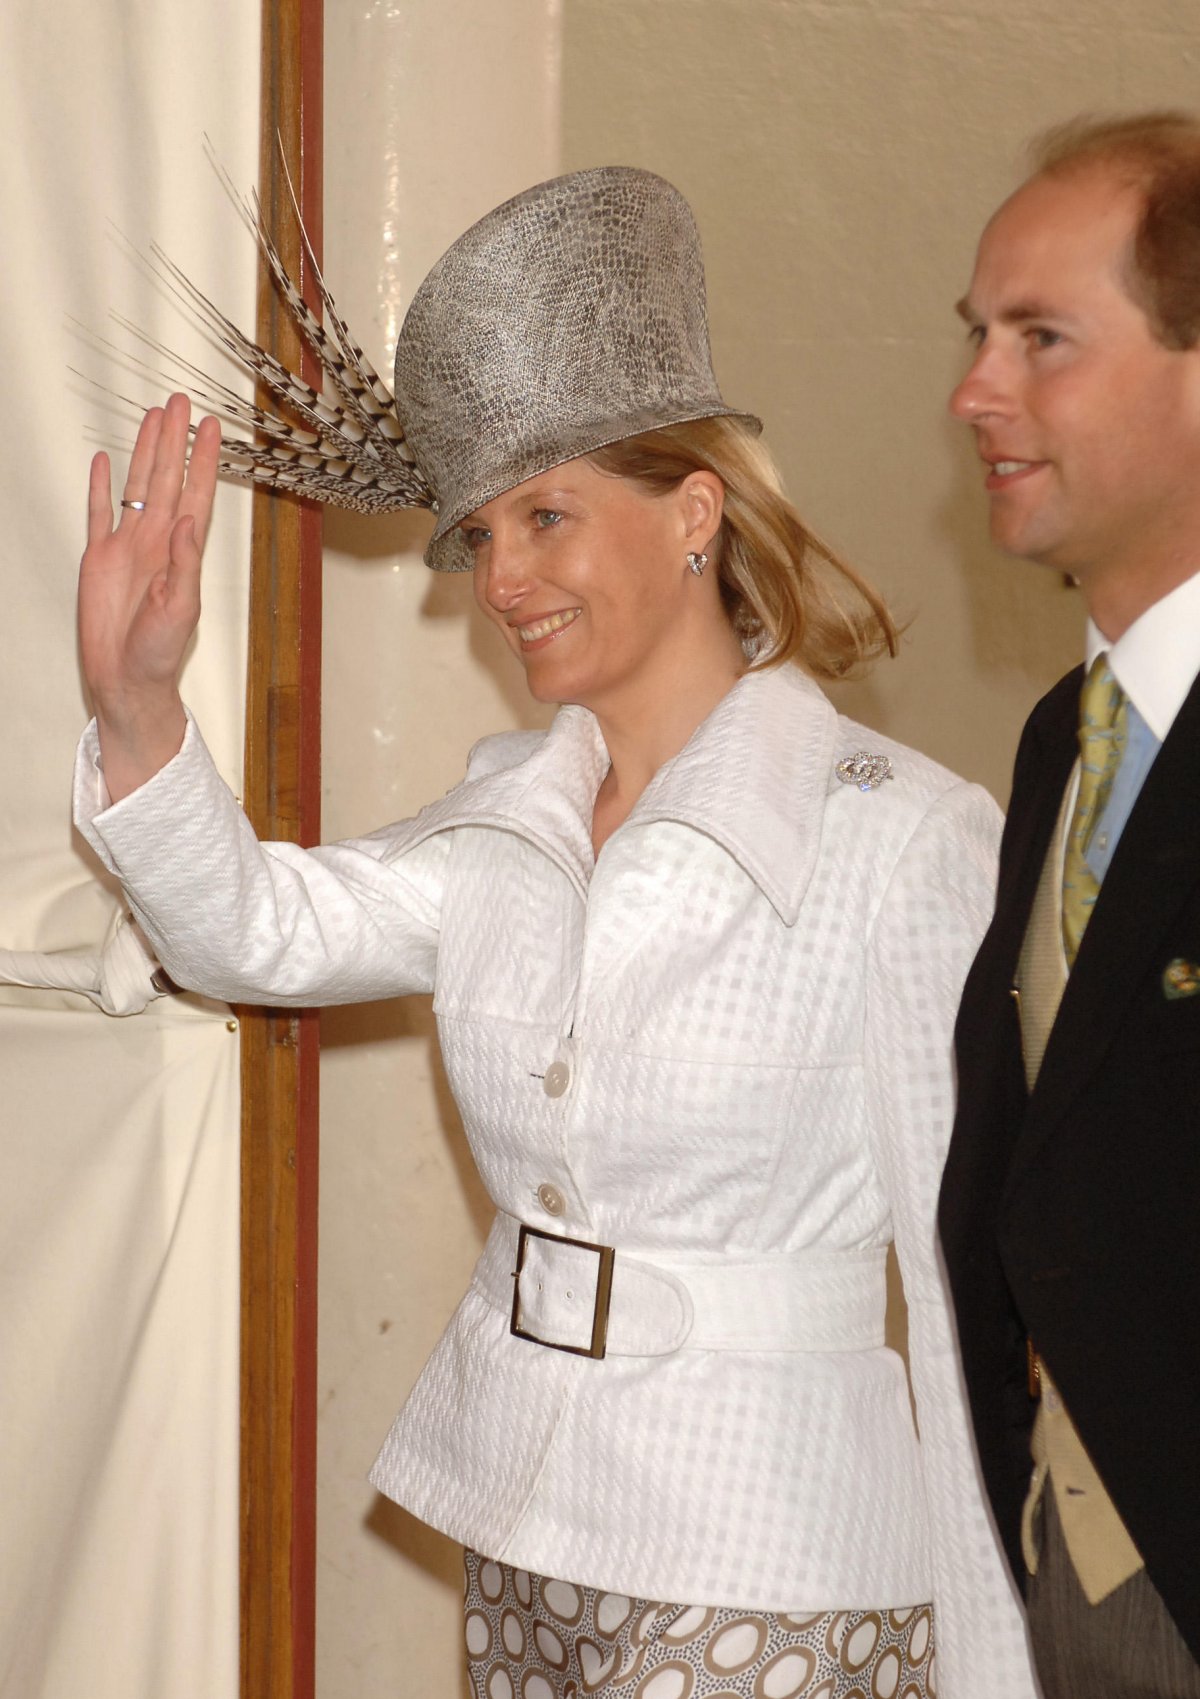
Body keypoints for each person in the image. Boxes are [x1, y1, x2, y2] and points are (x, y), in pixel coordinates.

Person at [76, 167, 1035, 1697]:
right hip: (529, 1537)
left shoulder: (899, 837)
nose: (502, 578)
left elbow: (961, 1275)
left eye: (546, 517)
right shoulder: (506, 815)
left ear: (694, 516)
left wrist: (998, 1677)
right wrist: (137, 706)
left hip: (772, 1573)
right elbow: (258, 930)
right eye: (480, 535)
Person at [939, 113, 1200, 1699]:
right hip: (1071, 1582)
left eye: (1042, 337)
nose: (975, 392)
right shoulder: (1064, 738)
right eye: (976, 336)